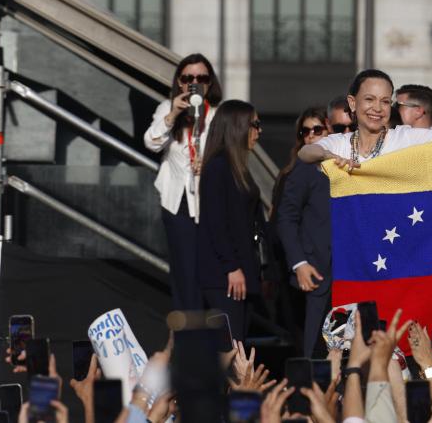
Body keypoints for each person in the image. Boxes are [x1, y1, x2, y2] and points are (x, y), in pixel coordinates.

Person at [143, 53, 222, 311]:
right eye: (188, 78)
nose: (194, 83)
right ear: (179, 81)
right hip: (178, 203)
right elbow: (151, 142)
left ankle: (211, 336)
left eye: (202, 78)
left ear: (210, 83)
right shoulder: (167, 109)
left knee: (208, 271)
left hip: (209, 204)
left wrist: (209, 164)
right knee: (184, 272)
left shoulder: (217, 116)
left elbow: (233, 155)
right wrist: (174, 113)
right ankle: (187, 335)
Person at [197, 100, 266, 341]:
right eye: (254, 124)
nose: (259, 131)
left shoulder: (238, 168)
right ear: (237, 127)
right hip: (224, 277)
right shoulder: (219, 168)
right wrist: (231, 267)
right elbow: (216, 223)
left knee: (237, 349)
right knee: (230, 350)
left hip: (240, 274)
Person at [297, 69, 432, 167]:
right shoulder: (340, 143)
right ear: (353, 103)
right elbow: (305, 152)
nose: (377, 108)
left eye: (385, 102)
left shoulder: (403, 138)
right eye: (369, 99)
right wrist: (327, 155)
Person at [275, 107, 334, 357]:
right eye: (305, 131)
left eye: (317, 129)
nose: (311, 136)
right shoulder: (303, 168)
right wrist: (299, 263)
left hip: (347, 271)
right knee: (314, 348)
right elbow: (286, 217)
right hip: (315, 271)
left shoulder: (345, 162)